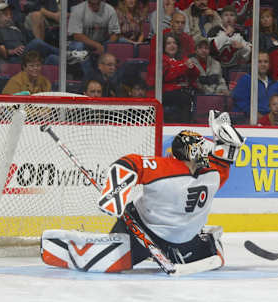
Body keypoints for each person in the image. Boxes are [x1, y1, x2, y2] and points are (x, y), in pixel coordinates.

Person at [41, 111, 245, 274]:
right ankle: (65, 241)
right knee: (107, 261)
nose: (205, 153)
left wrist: (115, 192)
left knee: (213, 256)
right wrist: (115, 193)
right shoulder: (199, 171)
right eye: (200, 149)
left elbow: (128, 163)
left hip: (180, 239)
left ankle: (199, 241)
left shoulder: (204, 171)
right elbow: (129, 163)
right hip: (141, 230)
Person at [146, 32, 198, 123]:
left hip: (179, 91)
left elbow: (195, 74)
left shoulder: (181, 58)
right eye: (169, 43)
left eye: (174, 43)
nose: (172, 45)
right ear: (164, 46)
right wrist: (184, 66)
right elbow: (167, 76)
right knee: (184, 98)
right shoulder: (160, 59)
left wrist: (191, 67)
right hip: (163, 92)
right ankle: (183, 126)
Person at [67, 0, 121, 76]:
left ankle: (114, 76)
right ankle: (90, 76)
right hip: (83, 43)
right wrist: (97, 45)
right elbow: (77, 35)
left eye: (98, 4)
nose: (95, 6)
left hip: (103, 42)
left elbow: (116, 33)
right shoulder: (77, 10)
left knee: (122, 41)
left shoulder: (110, 10)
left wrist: (106, 45)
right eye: (92, 4)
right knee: (77, 46)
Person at [232, 50, 278, 121]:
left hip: (273, 122)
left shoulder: (276, 84)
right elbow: (241, 103)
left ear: (269, 65)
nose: (263, 64)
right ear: (253, 63)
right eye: (259, 62)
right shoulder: (246, 80)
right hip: (250, 121)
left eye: (266, 62)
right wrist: (261, 118)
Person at [207, 5, 251, 81]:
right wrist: (226, 34)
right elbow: (212, 48)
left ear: (236, 18)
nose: (229, 18)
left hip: (235, 68)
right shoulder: (215, 30)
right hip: (216, 67)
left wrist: (242, 47)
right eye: (226, 15)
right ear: (221, 17)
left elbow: (248, 54)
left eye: (232, 15)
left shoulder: (239, 33)